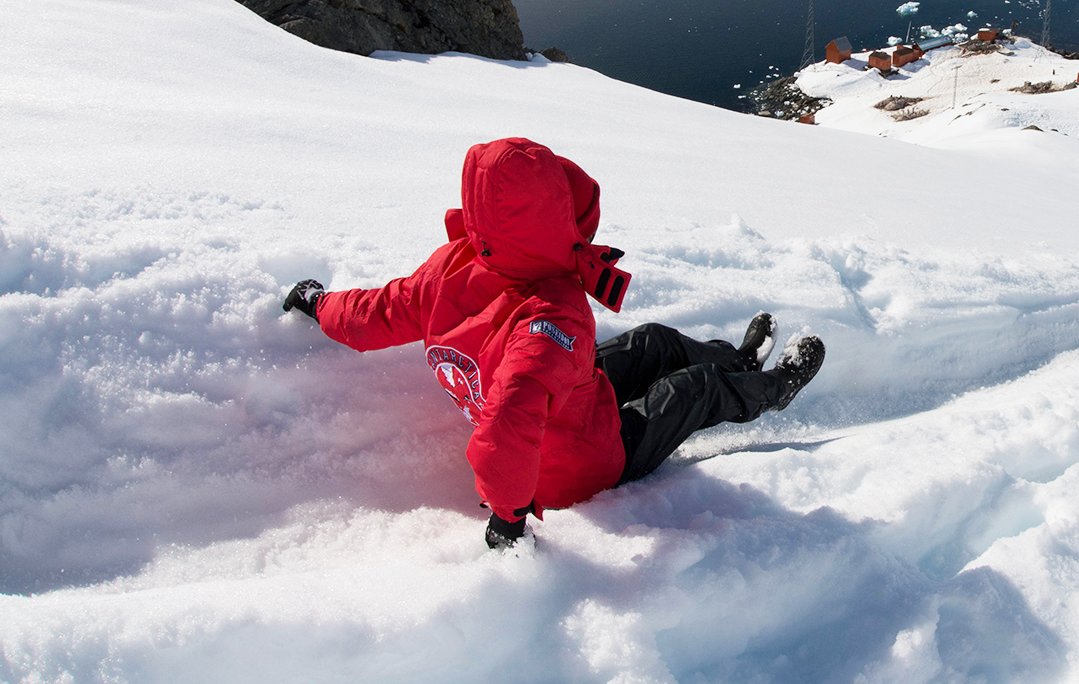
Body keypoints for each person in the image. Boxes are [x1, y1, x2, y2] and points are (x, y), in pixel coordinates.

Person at [281, 137, 825, 550]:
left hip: (569, 402)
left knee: (656, 341)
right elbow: (513, 414)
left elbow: (373, 312)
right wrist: (508, 517)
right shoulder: (552, 314)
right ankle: (772, 390)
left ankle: (740, 360)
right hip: (585, 462)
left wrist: (319, 303)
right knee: (695, 390)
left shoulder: (456, 265)